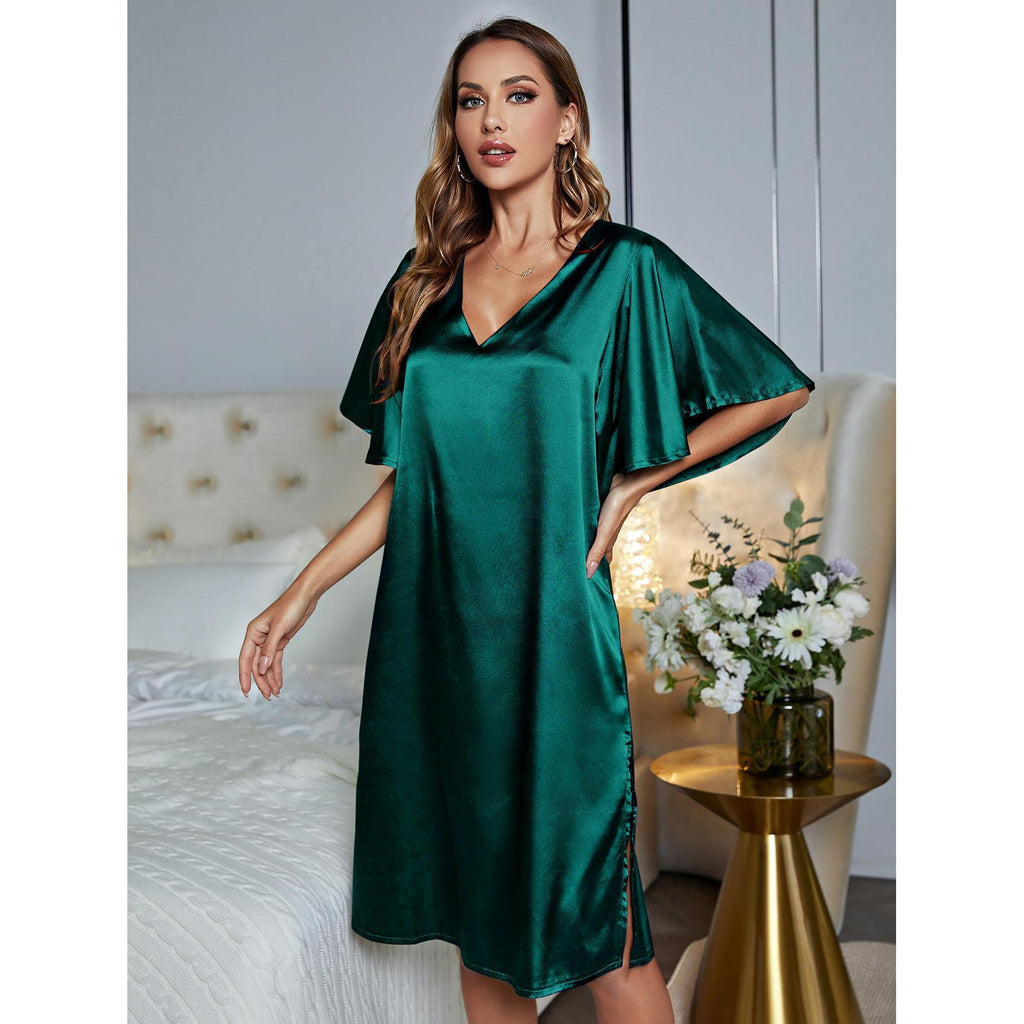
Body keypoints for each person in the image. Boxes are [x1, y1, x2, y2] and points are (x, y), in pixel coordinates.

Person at [239, 16, 814, 1024]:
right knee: (484, 930)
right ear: (454, 127)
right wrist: (299, 594)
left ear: (567, 121)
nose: (492, 121)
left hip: (554, 633)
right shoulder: (422, 283)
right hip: (434, 638)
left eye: (518, 95)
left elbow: (776, 389)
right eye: (472, 100)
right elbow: (414, 481)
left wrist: (631, 483)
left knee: (605, 936)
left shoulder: (626, 272)